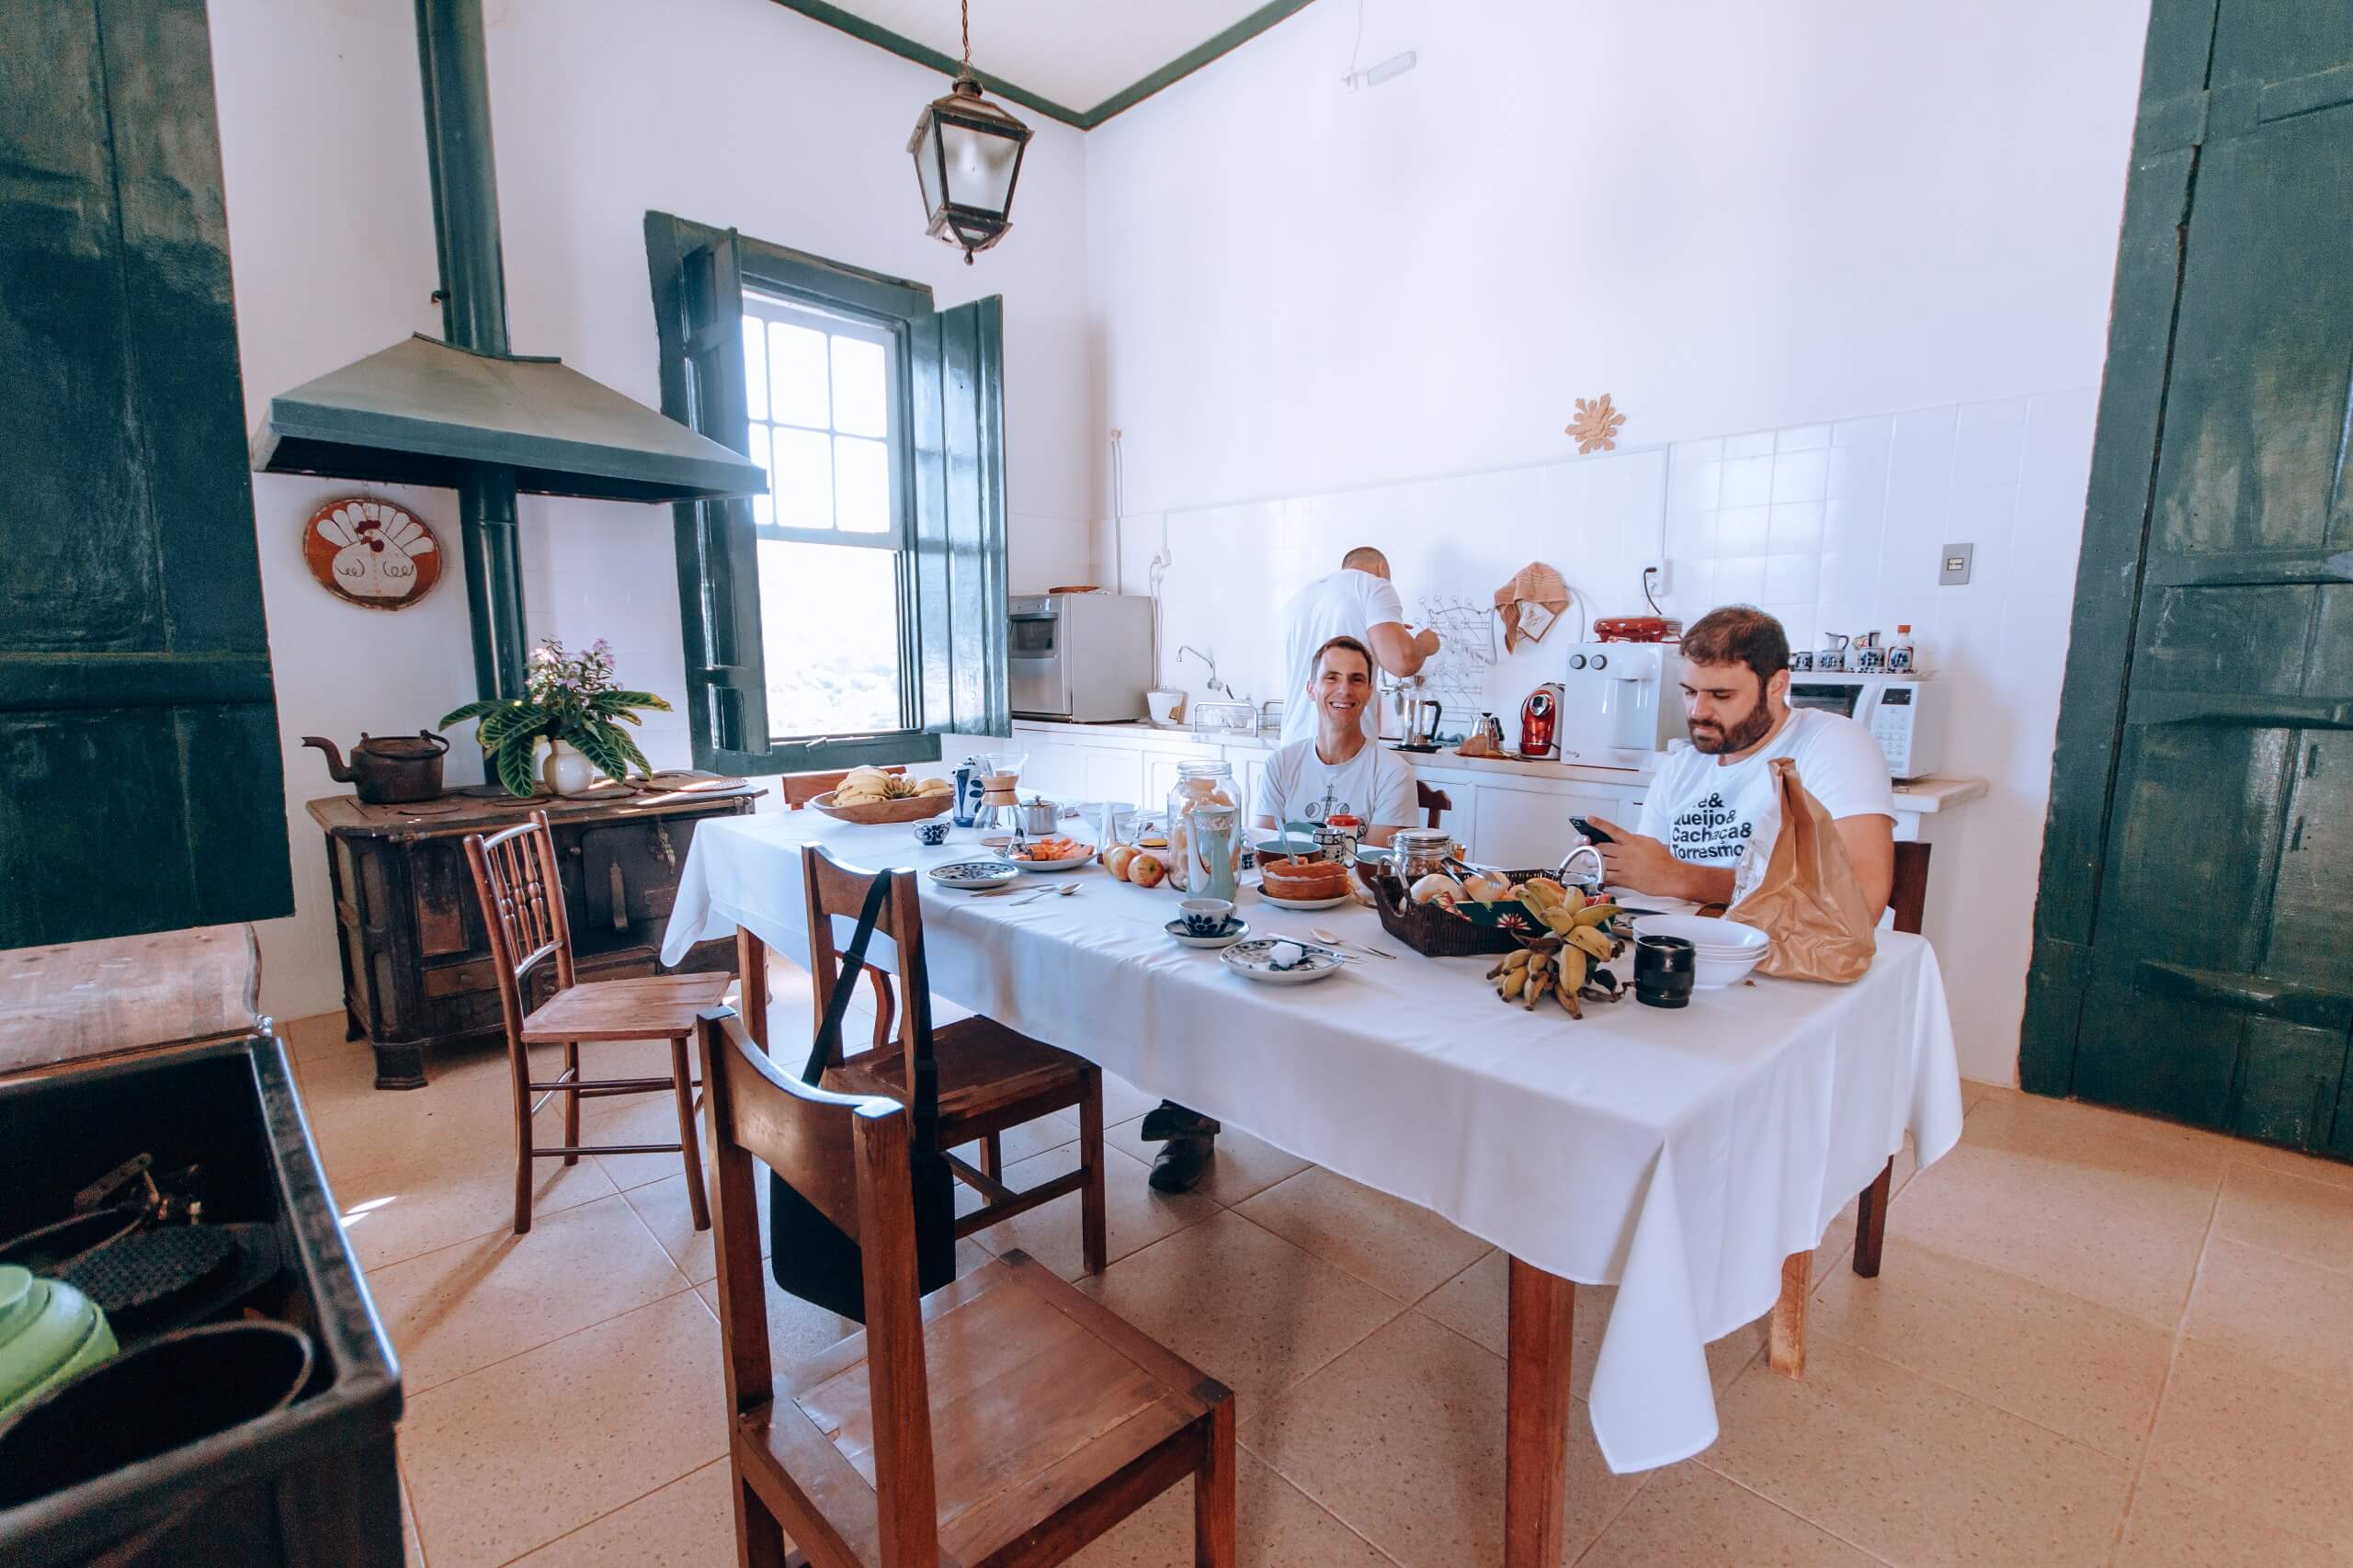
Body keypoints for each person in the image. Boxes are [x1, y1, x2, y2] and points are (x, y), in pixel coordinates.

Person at [1583, 606, 1895, 914]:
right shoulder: (1681, 767)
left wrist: (1680, 878)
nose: (1697, 712)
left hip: (1793, 957)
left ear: (1777, 685)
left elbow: (1861, 898)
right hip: (1695, 948)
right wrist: (1620, 867)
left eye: (1721, 695)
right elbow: (1655, 877)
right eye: (1690, 692)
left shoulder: (1833, 744)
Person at [1252, 635, 1420, 846]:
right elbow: (1265, 850)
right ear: (1311, 689)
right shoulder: (1279, 765)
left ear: (1369, 692)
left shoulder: (1394, 773)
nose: (1344, 690)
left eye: (1356, 679)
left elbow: (1374, 868)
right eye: (1332, 677)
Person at [1277, 547, 1442, 746]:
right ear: (1382, 569)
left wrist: (1385, 634)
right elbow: (1402, 662)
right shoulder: (1374, 585)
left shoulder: (1300, 598)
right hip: (1344, 747)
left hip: (1292, 742)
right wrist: (1425, 644)